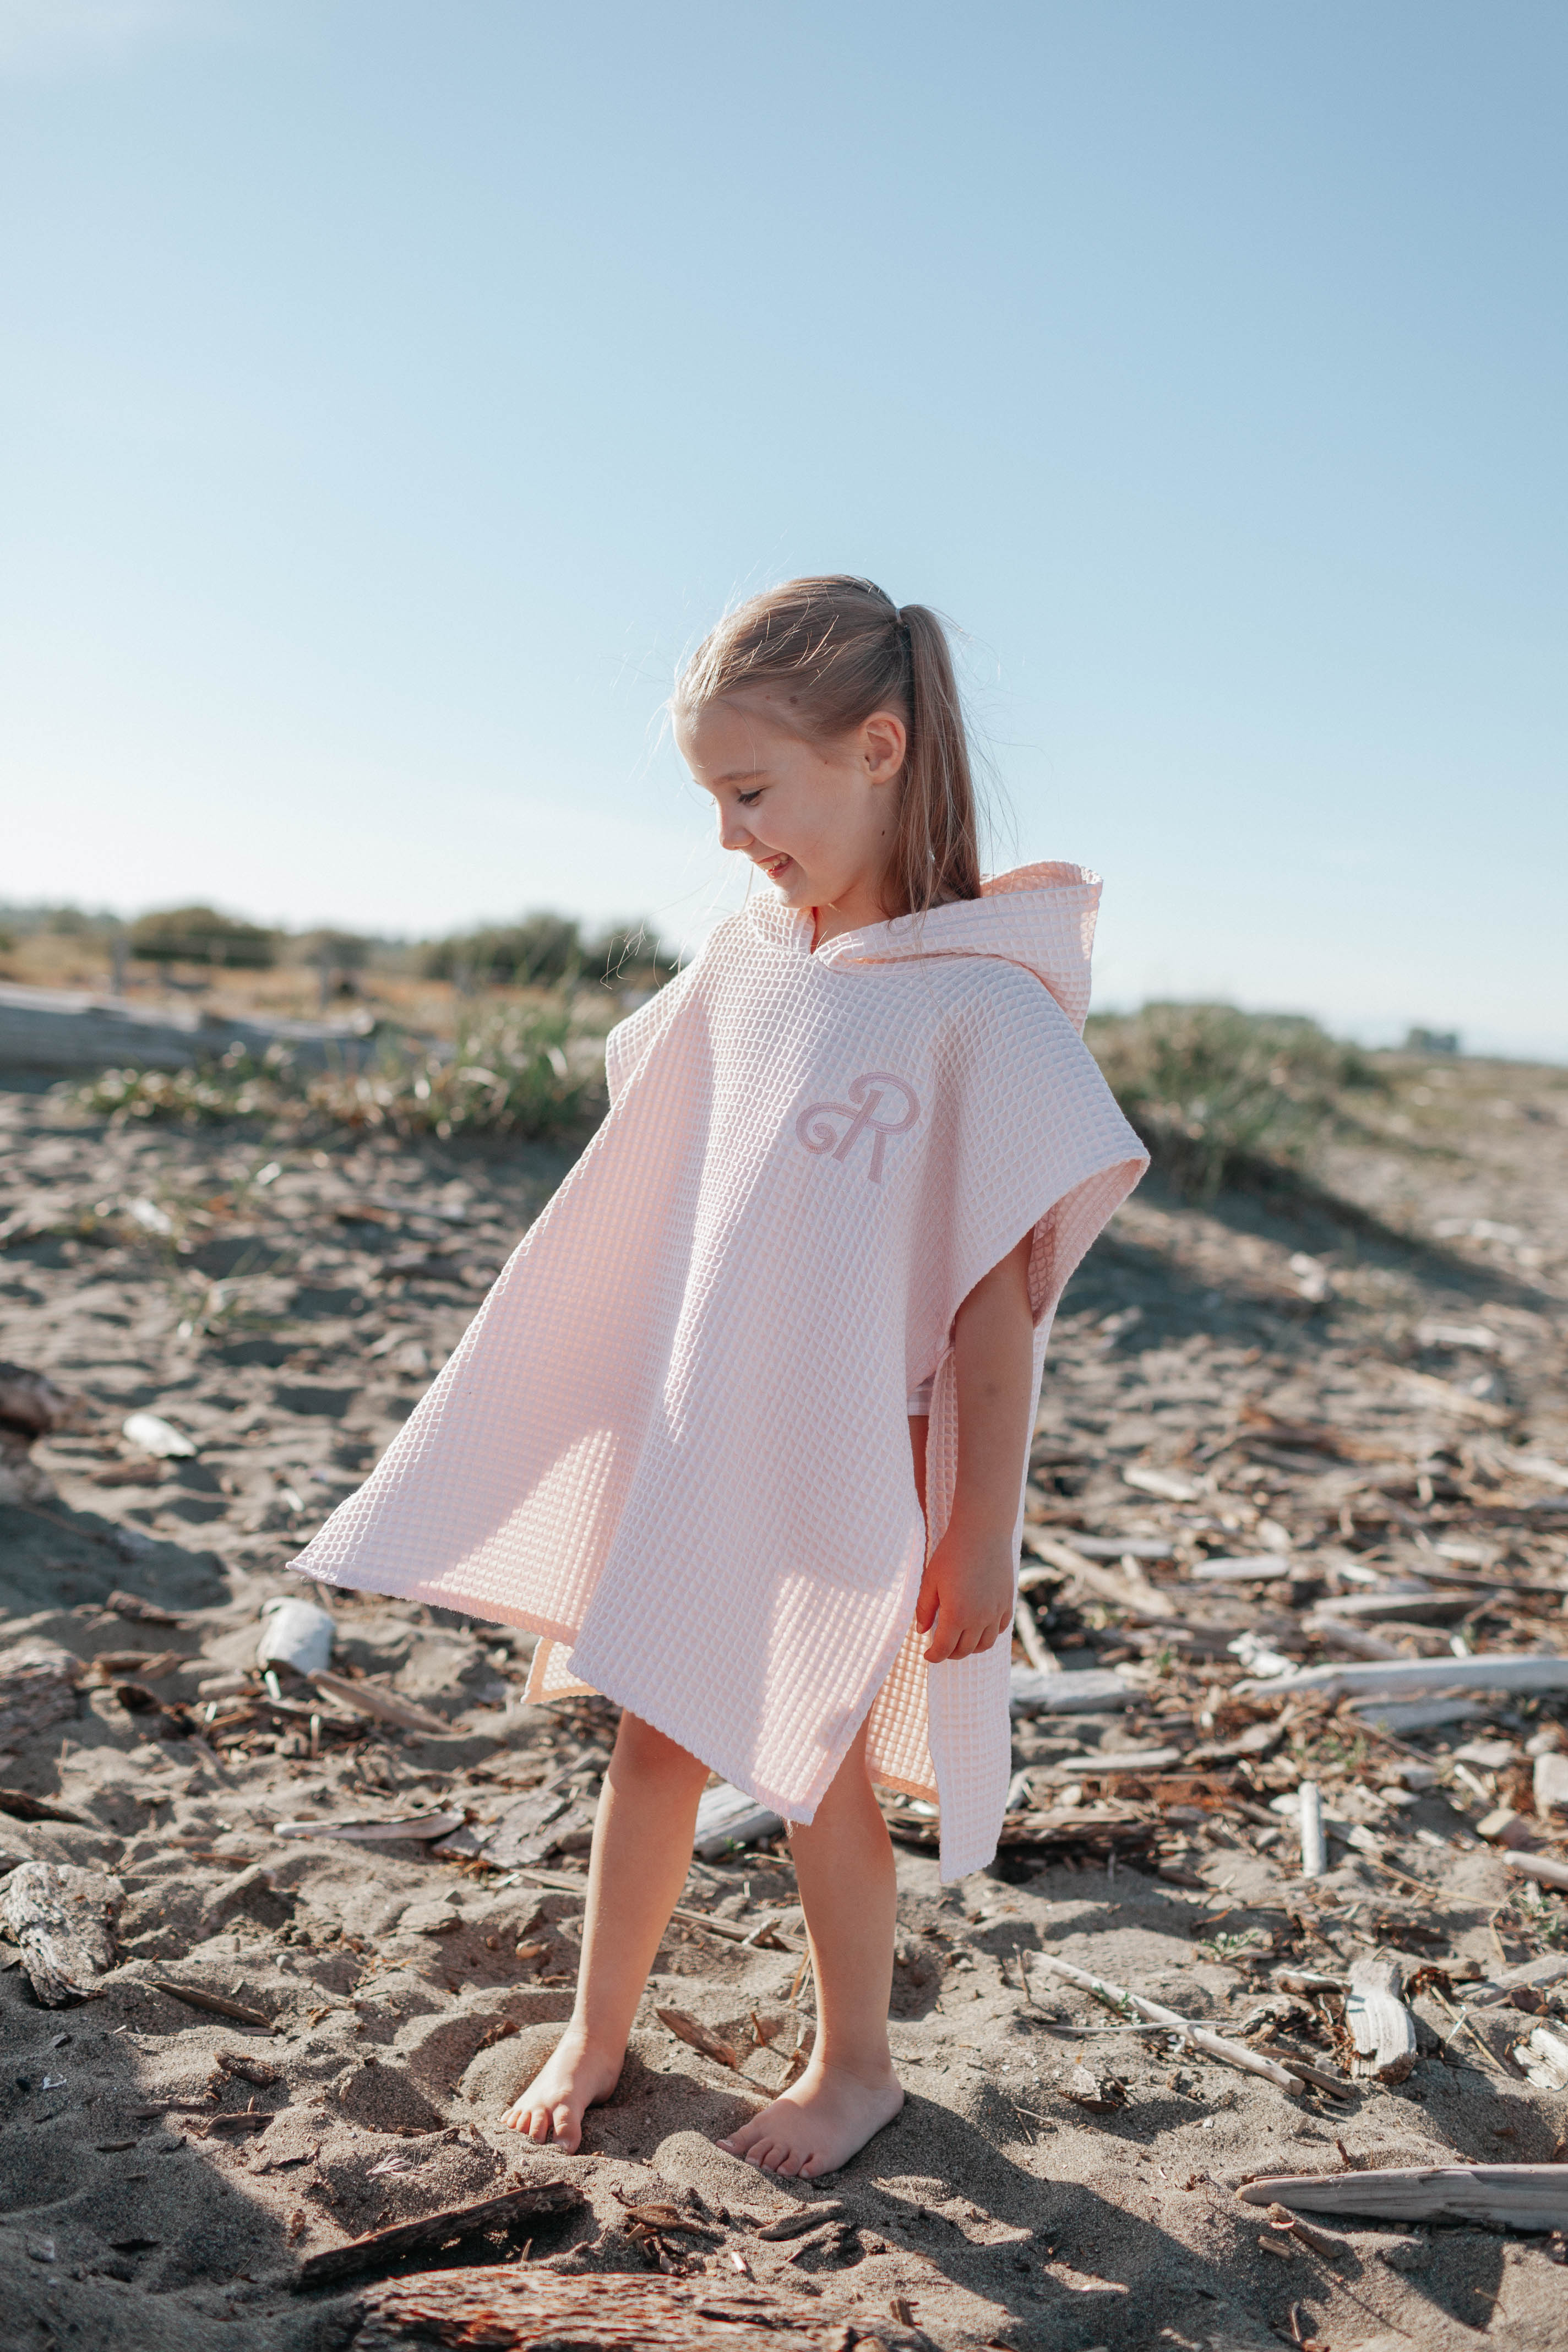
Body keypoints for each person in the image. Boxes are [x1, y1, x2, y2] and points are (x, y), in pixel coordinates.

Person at [292, 575, 1146, 2179]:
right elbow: (665, 1159)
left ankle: (856, 2065)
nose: (731, 835)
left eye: (752, 792)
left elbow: (992, 1314)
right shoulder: (750, 966)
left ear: (877, 748)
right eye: (712, 798)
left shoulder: (980, 1008)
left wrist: (982, 1544)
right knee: (655, 1724)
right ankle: (598, 2029)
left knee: (815, 1757)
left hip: (846, 1456)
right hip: (708, 1424)